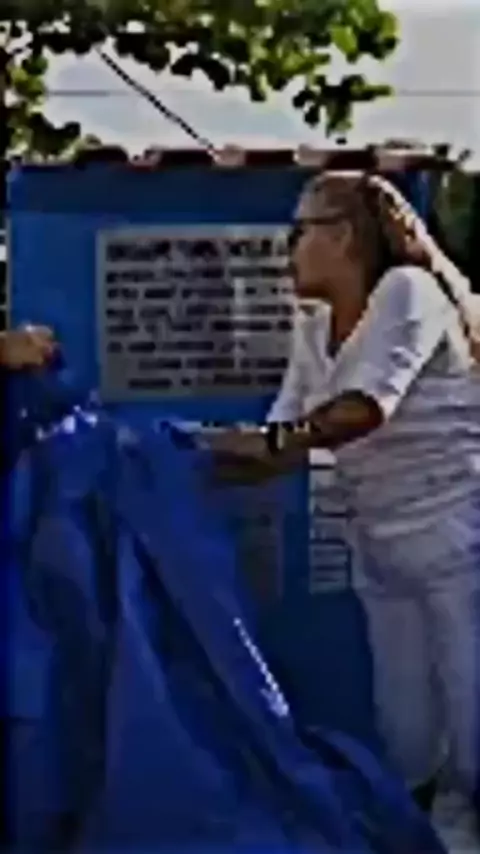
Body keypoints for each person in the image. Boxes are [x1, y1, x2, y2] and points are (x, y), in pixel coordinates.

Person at [211, 170, 480, 826]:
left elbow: (363, 407)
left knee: (472, 715)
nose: (289, 249)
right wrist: (178, 459)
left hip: (458, 540)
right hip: (381, 543)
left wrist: (269, 443)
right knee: (406, 727)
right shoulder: (314, 326)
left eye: (299, 232)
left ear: (345, 236)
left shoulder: (407, 291)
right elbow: (283, 436)